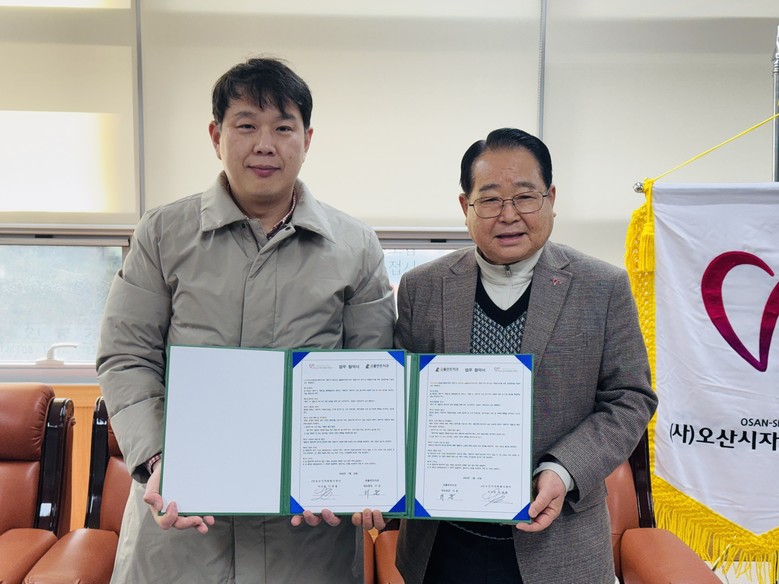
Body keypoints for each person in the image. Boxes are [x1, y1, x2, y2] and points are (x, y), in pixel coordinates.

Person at [97, 57, 395, 584]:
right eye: (246, 125)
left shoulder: (355, 246)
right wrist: (161, 459)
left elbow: (371, 375)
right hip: (183, 532)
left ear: (307, 139)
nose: (265, 144)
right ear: (216, 136)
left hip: (307, 542)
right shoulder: (163, 234)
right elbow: (127, 356)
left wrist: (353, 475)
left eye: (283, 128)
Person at [393, 128, 657, 584]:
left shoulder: (603, 286)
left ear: (551, 199)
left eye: (525, 197)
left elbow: (631, 398)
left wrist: (563, 469)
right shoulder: (422, 287)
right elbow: (400, 400)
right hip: (441, 546)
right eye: (490, 199)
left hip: (559, 547)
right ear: (465, 207)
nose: (509, 215)